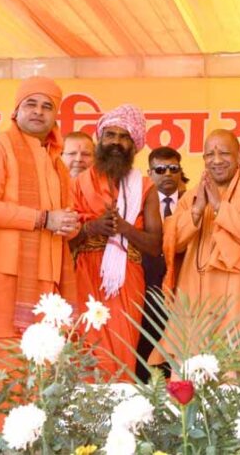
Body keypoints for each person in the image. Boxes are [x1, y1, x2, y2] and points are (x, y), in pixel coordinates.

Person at [0, 77, 78, 375]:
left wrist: (69, 225)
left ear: (56, 115)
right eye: (31, 104)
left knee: (41, 373)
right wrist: (43, 218)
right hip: (3, 276)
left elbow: (64, 216)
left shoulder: (58, 163)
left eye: (47, 106)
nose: (38, 111)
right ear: (16, 110)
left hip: (50, 281)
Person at [150, 129, 240, 365]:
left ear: (239, 157)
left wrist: (220, 208)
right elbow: (172, 242)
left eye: (224, 153)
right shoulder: (191, 197)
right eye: (210, 154)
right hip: (193, 299)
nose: (216, 160)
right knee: (190, 373)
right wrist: (197, 211)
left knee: (235, 370)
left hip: (235, 297)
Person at [71, 104, 162, 380]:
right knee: (85, 349)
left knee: (122, 350)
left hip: (127, 280)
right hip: (84, 276)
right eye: (110, 135)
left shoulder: (145, 187)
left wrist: (124, 228)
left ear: (134, 145)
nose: (116, 142)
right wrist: (91, 228)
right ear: (99, 139)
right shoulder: (77, 184)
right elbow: (62, 240)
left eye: (124, 137)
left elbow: (155, 245)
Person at [135, 146, 184, 381]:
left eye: (173, 168)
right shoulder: (138, 203)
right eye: (160, 169)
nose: (168, 174)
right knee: (145, 348)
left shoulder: (192, 202)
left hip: (181, 291)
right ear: (149, 173)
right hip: (146, 287)